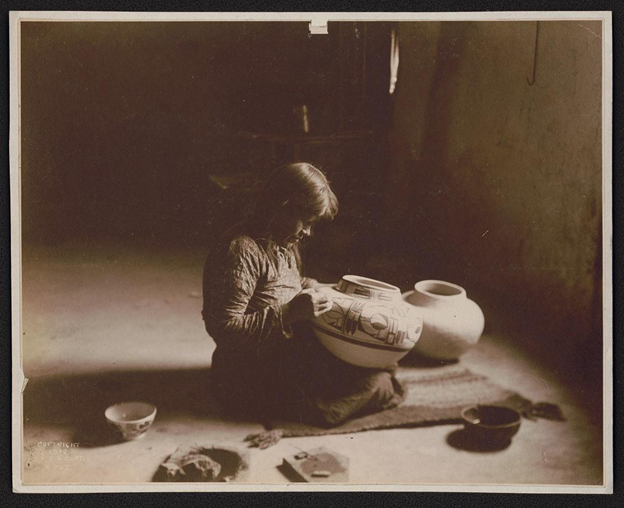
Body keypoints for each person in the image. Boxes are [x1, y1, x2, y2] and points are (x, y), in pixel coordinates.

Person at [202, 163, 406, 427]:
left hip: (287, 357)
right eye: (306, 222)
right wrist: (290, 312)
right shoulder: (240, 250)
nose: (308, 232)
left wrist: (314, 286)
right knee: (371, 387)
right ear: (281, 206)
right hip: (247, 374)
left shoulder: (282, 242)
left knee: (375, 364)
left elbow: (283, 284)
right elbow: (224, 329)